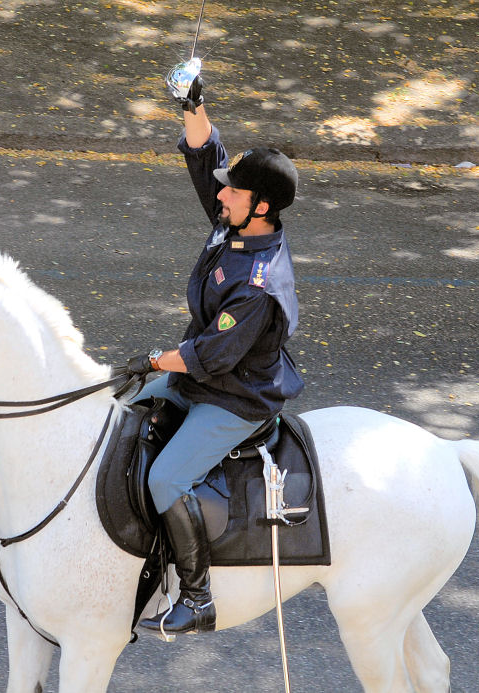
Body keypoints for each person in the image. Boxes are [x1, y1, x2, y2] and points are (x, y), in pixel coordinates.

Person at [127, 72, 304, 636]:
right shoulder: (236, 222)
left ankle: (197, 598)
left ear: (262, 206)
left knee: (165, 481)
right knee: (121, 408)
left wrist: (157, 361)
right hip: (201, 373)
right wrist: (191, 102)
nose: (220, 194)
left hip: (234, 397)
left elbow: (210, 356)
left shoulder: (258, 282)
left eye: (233, 191)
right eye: (225, 190)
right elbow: (207, 157)